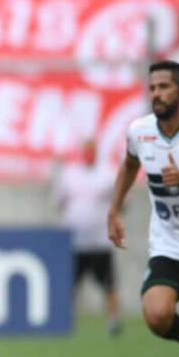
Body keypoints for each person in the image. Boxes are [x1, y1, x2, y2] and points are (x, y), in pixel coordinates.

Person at [108, 60, 179, 357]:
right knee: (157, 316)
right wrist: (115, 209)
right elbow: (130, 164)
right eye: (152, 88)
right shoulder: (140, 131)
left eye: (163, 87)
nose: (156, 94)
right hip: (170, 242)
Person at [53, 139, 122, 336]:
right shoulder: (70, 174)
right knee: (71, 284)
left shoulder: (108, 173)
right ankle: (66, 320)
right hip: (76, 242)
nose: (89, 154)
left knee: (109, 283)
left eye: (92, 151)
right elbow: (59, 201)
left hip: (100, 240)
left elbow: (121, 201)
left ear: (97, 152)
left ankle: (113, 321)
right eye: (86, 151)